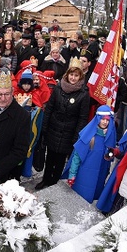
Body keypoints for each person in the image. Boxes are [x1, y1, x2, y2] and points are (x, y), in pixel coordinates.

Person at [35, 60, 90, 189]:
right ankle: (46, 179)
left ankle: (54, 182)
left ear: (80, 77)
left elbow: (82, 117)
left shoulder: (83, 94)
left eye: (76, 75)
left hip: (68, 131)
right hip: (54, 128)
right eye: (71, 75)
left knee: (60, 160)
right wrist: (44, 127)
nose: (73, 78)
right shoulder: (58, 88)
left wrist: (76, 136)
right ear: (67, 74)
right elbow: (49, 108)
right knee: (50, 157)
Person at [62, 105, 118, 203]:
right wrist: (72, 175)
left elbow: (109, 157)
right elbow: (77, 157)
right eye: (103, 119)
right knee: (79, 200)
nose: (105, 122)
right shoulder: (89, 136)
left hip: (99, 176)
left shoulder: (109, 137)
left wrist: (110, 154)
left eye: (108, 120)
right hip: (84, 176)